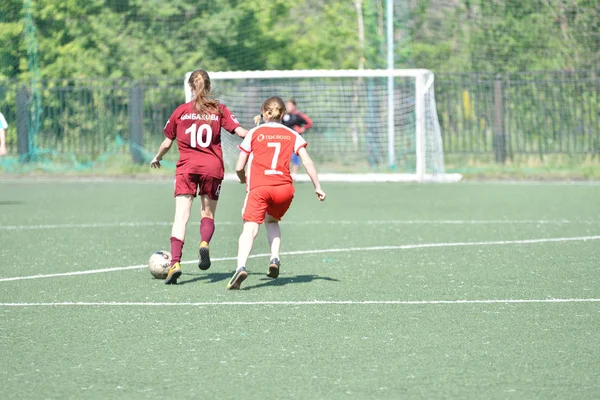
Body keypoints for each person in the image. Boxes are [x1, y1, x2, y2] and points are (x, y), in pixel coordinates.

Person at [150, 69, 248, 285]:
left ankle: (175, 262)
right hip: (212, 168)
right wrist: (257, 134)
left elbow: (167, 142)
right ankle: (204, 243)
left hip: (187, 168)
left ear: (190, 87)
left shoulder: (181, 111)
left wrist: (157, 157)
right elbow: (240, 132)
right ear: (209, 87)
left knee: (181, 217)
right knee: (207, 214)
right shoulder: (218, 110)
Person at [227, 96, 326, 290]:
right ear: (283, 114)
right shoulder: (292, 134)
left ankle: (240, 267)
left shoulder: (255, 133)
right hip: (284, 189)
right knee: (272, 221)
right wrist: (317, 186)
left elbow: (240, 166)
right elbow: (307, 162)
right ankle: (274, 257)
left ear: (264, 112)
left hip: (260, 187)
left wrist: (242, 178)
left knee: (250, 227)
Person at [282, 99, 312, 179]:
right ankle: (285, 173)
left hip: (294, 140)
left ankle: (294, 174)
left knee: (294, 156)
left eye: (290, 105)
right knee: (285, 157)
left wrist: (302, 129)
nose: (288, 107)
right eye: (287, 105)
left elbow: (309, 122)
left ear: (294, 106)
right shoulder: (284, 116)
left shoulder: (298, 115)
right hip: (284, 139)